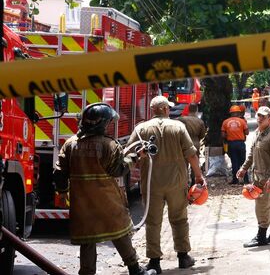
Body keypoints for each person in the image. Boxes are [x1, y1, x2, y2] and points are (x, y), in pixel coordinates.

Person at [53, 103, 155, 275]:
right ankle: (135, 270)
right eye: (108, 123)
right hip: (107, 201)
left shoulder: (70, 144)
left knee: (88, 239)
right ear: (101, 124)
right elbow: (119, 170)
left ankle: (87, 272)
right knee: (119, 233)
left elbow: (59, 172)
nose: (108, 127)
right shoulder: (109, 145)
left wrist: (63, 192)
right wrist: (137, 156)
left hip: (82, 203)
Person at [127, 96, 205, 273]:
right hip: (176, 182)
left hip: (151, 183)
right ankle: (183, 257)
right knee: (179, 219)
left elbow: (130, 156)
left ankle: (154, 262)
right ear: (164, 109)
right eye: (168, 108)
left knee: (153, 222)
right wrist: (199, 176)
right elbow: (191, 154)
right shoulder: (178, 127)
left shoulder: (140, 129)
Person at [238, 107, 270, 248]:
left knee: (261, 207)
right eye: (258, 115)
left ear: (269, 119)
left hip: (266, 179)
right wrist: (243, 168)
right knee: (265, 205)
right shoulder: (257, 133)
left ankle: (261, 236)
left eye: (263, 117)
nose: (259, 118)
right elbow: (251, 154)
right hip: (257, 176)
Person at [177, 103, 207, 186]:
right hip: (196, 143)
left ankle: (184, 182)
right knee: (195, 163)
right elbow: (202, 135)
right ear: (196, 110)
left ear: (188, 109)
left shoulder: (181, 119)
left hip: (184, 144)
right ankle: (194, 181)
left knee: (184, 163)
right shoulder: (200, 121)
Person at [222, 105, 249, 184]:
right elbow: (247, 132)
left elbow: (223, 135)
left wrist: (229, 134)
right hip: (241, 143)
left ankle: (235, 180)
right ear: (238, 113)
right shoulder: (242, 121)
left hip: (231, 144)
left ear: (231, 113)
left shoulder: (225, 122)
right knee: (243, 162)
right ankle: (246, 180)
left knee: (234, 162)